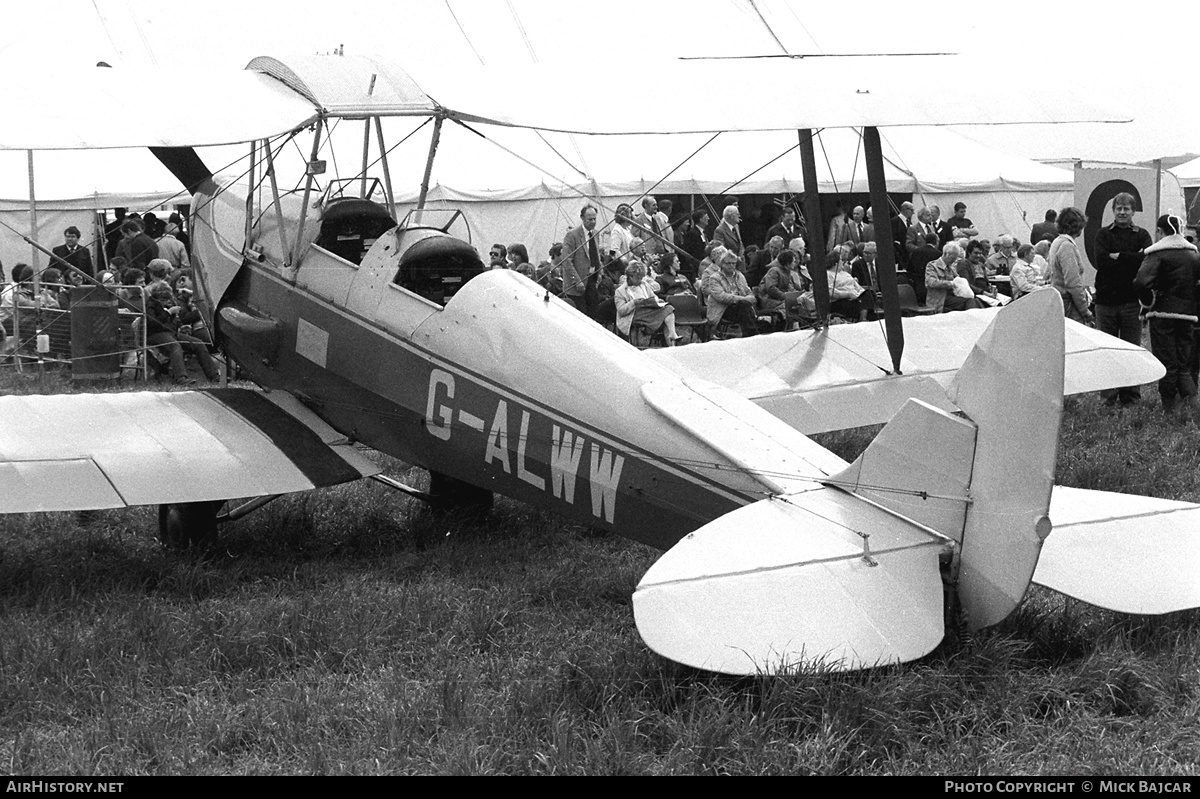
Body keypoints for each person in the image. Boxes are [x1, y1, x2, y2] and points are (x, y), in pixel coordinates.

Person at [1134, 213, 1200, 414]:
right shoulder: (1193, 254)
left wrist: (1149, 303)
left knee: (1166, 360)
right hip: (1188, 314)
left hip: (1162, 313)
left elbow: (1141, 282)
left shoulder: (1157, 254)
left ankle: (1169, 408)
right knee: (1184, 361)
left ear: (1160, 231)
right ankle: (1190, 405)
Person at [1094, 192, 1153, 406]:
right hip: (1105, 302)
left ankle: (1131, 397)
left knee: (1131, 349)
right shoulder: (1103, 234)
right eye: (1118, 208)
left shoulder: (1142, 234)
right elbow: (1101, 262)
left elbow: (1146, 261)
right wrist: (1131, 259)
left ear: (1133, 212)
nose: (1122, 212)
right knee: (1107, 351)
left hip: (1131, 303)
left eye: (1126, 208)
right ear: (1113, 211)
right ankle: (1108, 398)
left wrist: (1119, 256)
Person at [614, 261, 680, 345]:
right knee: (667, 313)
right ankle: (672, 338)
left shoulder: (644, 284)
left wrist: (658, 301)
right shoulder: (620, 291)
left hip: (648, 310)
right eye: (638, 278)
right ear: (630, 277)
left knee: (669, 309)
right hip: (634, 314)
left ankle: (672, 336)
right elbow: (621, 311)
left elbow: (652, 295)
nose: (640, 280)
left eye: (641, 278)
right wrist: (633, 303)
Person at [1048, 207, 1094, 324]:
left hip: (1060, 301)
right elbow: (1073, 282)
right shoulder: (1067, 247)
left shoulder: (1057, 242)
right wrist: (1084, 310)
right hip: (1070, 305)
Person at [702, 249, 758, 336]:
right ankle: (752, 334)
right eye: (728, 263)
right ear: (722, 264)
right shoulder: (714, 278)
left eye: (733, 263)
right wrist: (743, 299)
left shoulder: (739, 276)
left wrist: (749, 298)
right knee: (744, 305)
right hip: (722, 309)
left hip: (741, 307)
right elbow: (722, 297)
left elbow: (749, 292)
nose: (731, 266)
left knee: (746, 306)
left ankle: (752, 333)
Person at [561, 204, 602, 311]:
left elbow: (597, 255)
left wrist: (600, 273)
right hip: (577, 283)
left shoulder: (596, 234)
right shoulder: (572, 235)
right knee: (580, 311)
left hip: (592, 279)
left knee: (593, 310)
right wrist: (577, 281)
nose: (593, 222)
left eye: (594, 219)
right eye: (590, 219)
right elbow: (567, 261)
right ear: (582, 218)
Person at [926, 242, 978, 313]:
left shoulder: (950, 268)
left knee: (974, 300)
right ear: (946, 254)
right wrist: (949, 283)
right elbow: (931, 282)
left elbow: (958, 279)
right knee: (969, 301)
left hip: (952, 296)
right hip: (940, 299)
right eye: (952, 258)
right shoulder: (932, 266)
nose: (954, 261)